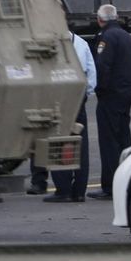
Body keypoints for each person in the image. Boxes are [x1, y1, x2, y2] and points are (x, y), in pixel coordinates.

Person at [87, 4, 131, 200]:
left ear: (100, 20)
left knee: (108, 142)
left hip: (111, 95)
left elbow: (103, 67)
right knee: (124, 139)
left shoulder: (106, 38)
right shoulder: (126, 36)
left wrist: (99, 90)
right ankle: (127, 180)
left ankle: (109, 186)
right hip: (126, 92)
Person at [45, 29, 98, 203]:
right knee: (80, 143)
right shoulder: (81, 43)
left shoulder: (50, 42)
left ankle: (63, 189)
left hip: (58, 96)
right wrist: (85, 94)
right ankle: (80, 190)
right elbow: (91, 74)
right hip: (78, 97)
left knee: (58, 141)